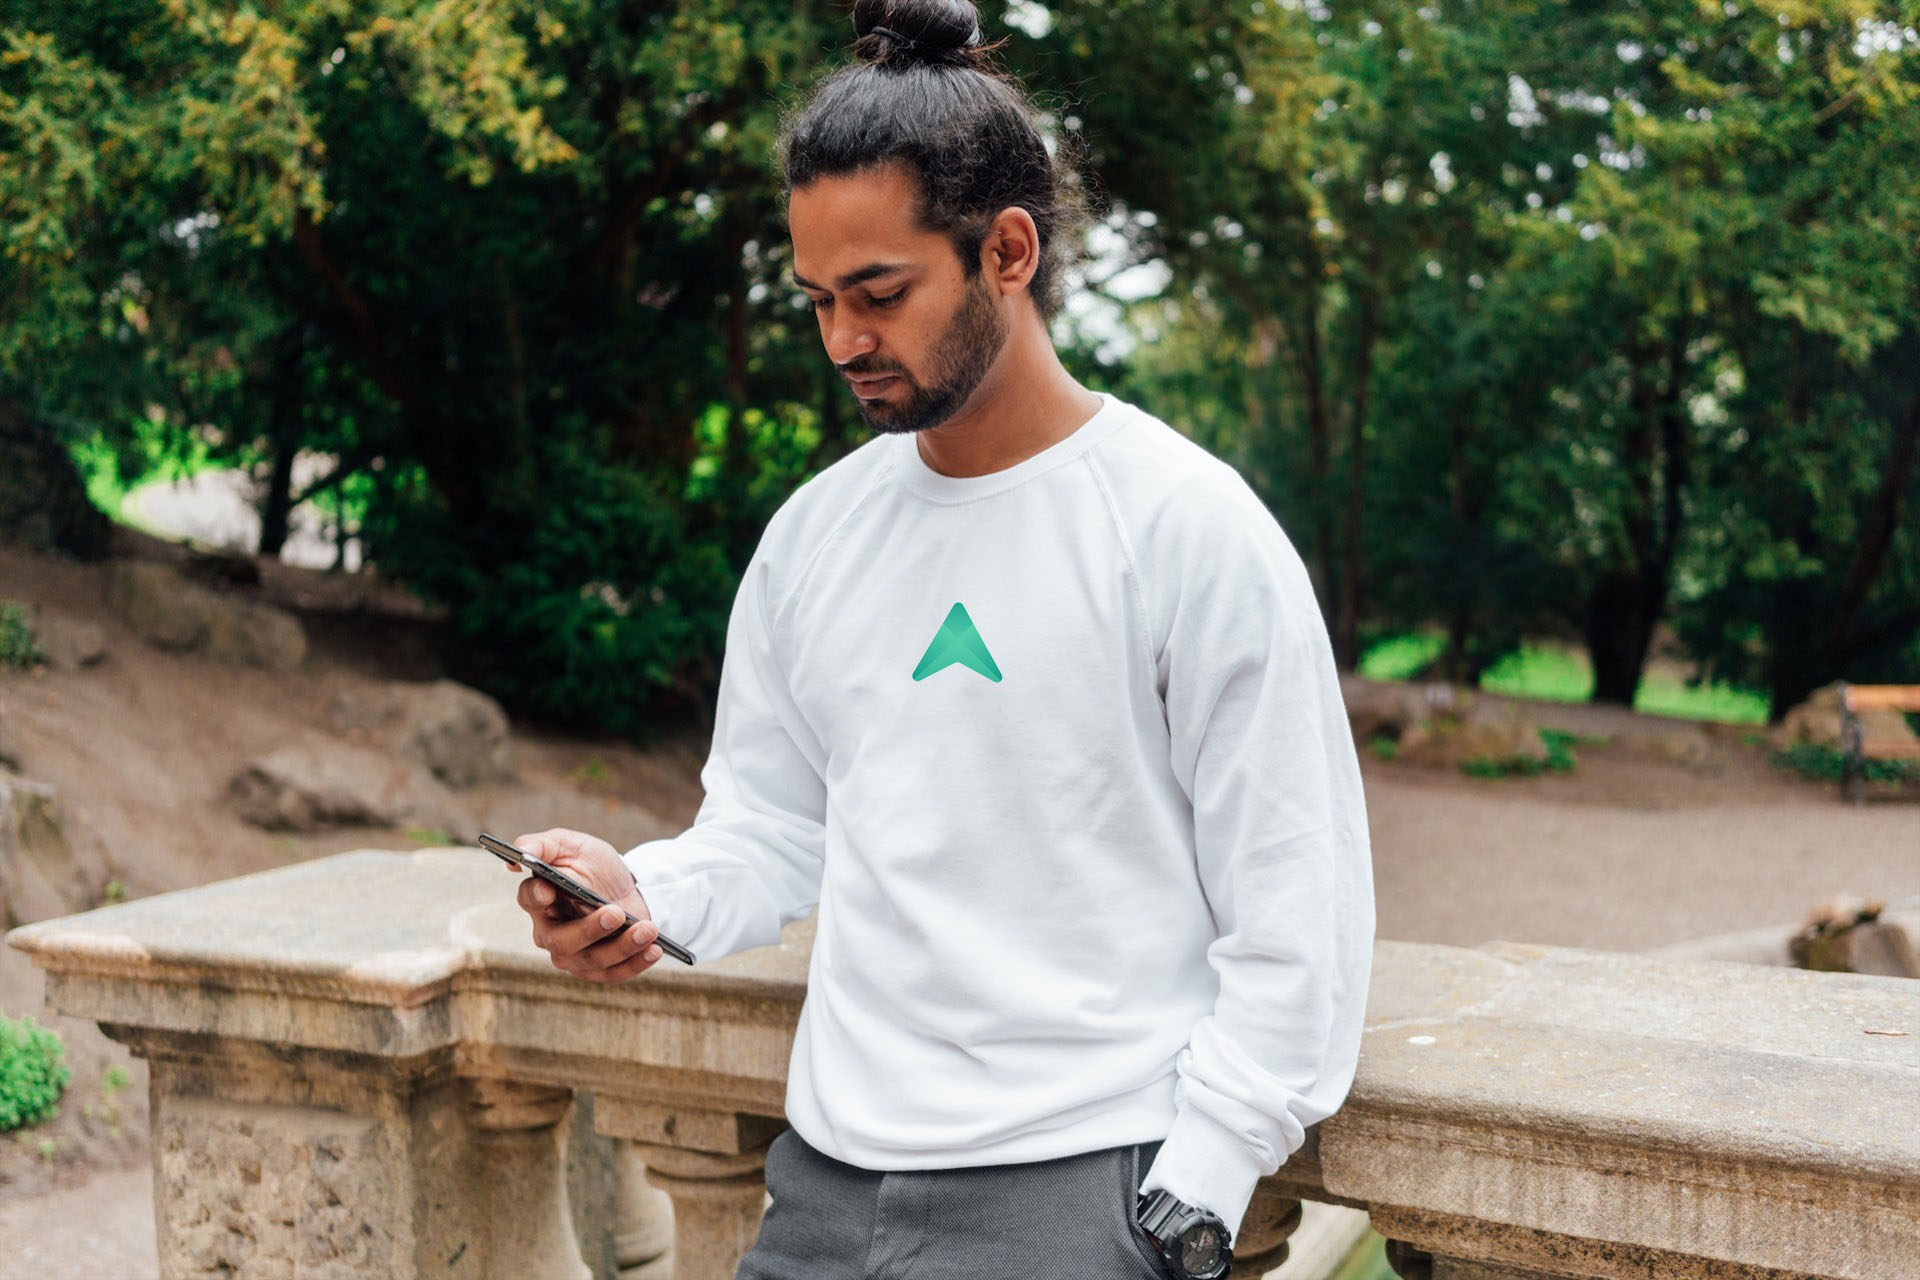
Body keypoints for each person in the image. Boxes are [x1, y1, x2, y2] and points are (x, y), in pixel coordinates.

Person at [511, 2, 1374, 1276]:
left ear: (1008, 250)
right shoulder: (815, 535)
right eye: (816, 300)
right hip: (820, 1189)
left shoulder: (1187, 526)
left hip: (1079, 1192)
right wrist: (649, 895)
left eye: (880, 292)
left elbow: (1299, 893)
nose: (844, 340)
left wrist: (1196, 1184)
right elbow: (773, 824)